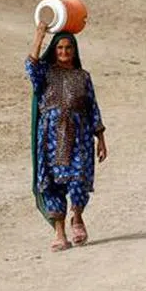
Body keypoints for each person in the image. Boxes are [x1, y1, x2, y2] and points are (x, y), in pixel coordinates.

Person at [25, 20, 108, 251]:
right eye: (60, 48)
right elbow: (31, 66)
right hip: (50, 137)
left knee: (79, 178)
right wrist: (39, 35)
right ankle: (60, 233)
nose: (64, 52)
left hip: (79, 136)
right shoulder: (46, 73)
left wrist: (100, 139)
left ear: (75, 51)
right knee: (52, 184)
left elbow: (93, 107)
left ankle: (77, 217)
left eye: (68, 48)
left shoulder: (83, 76)